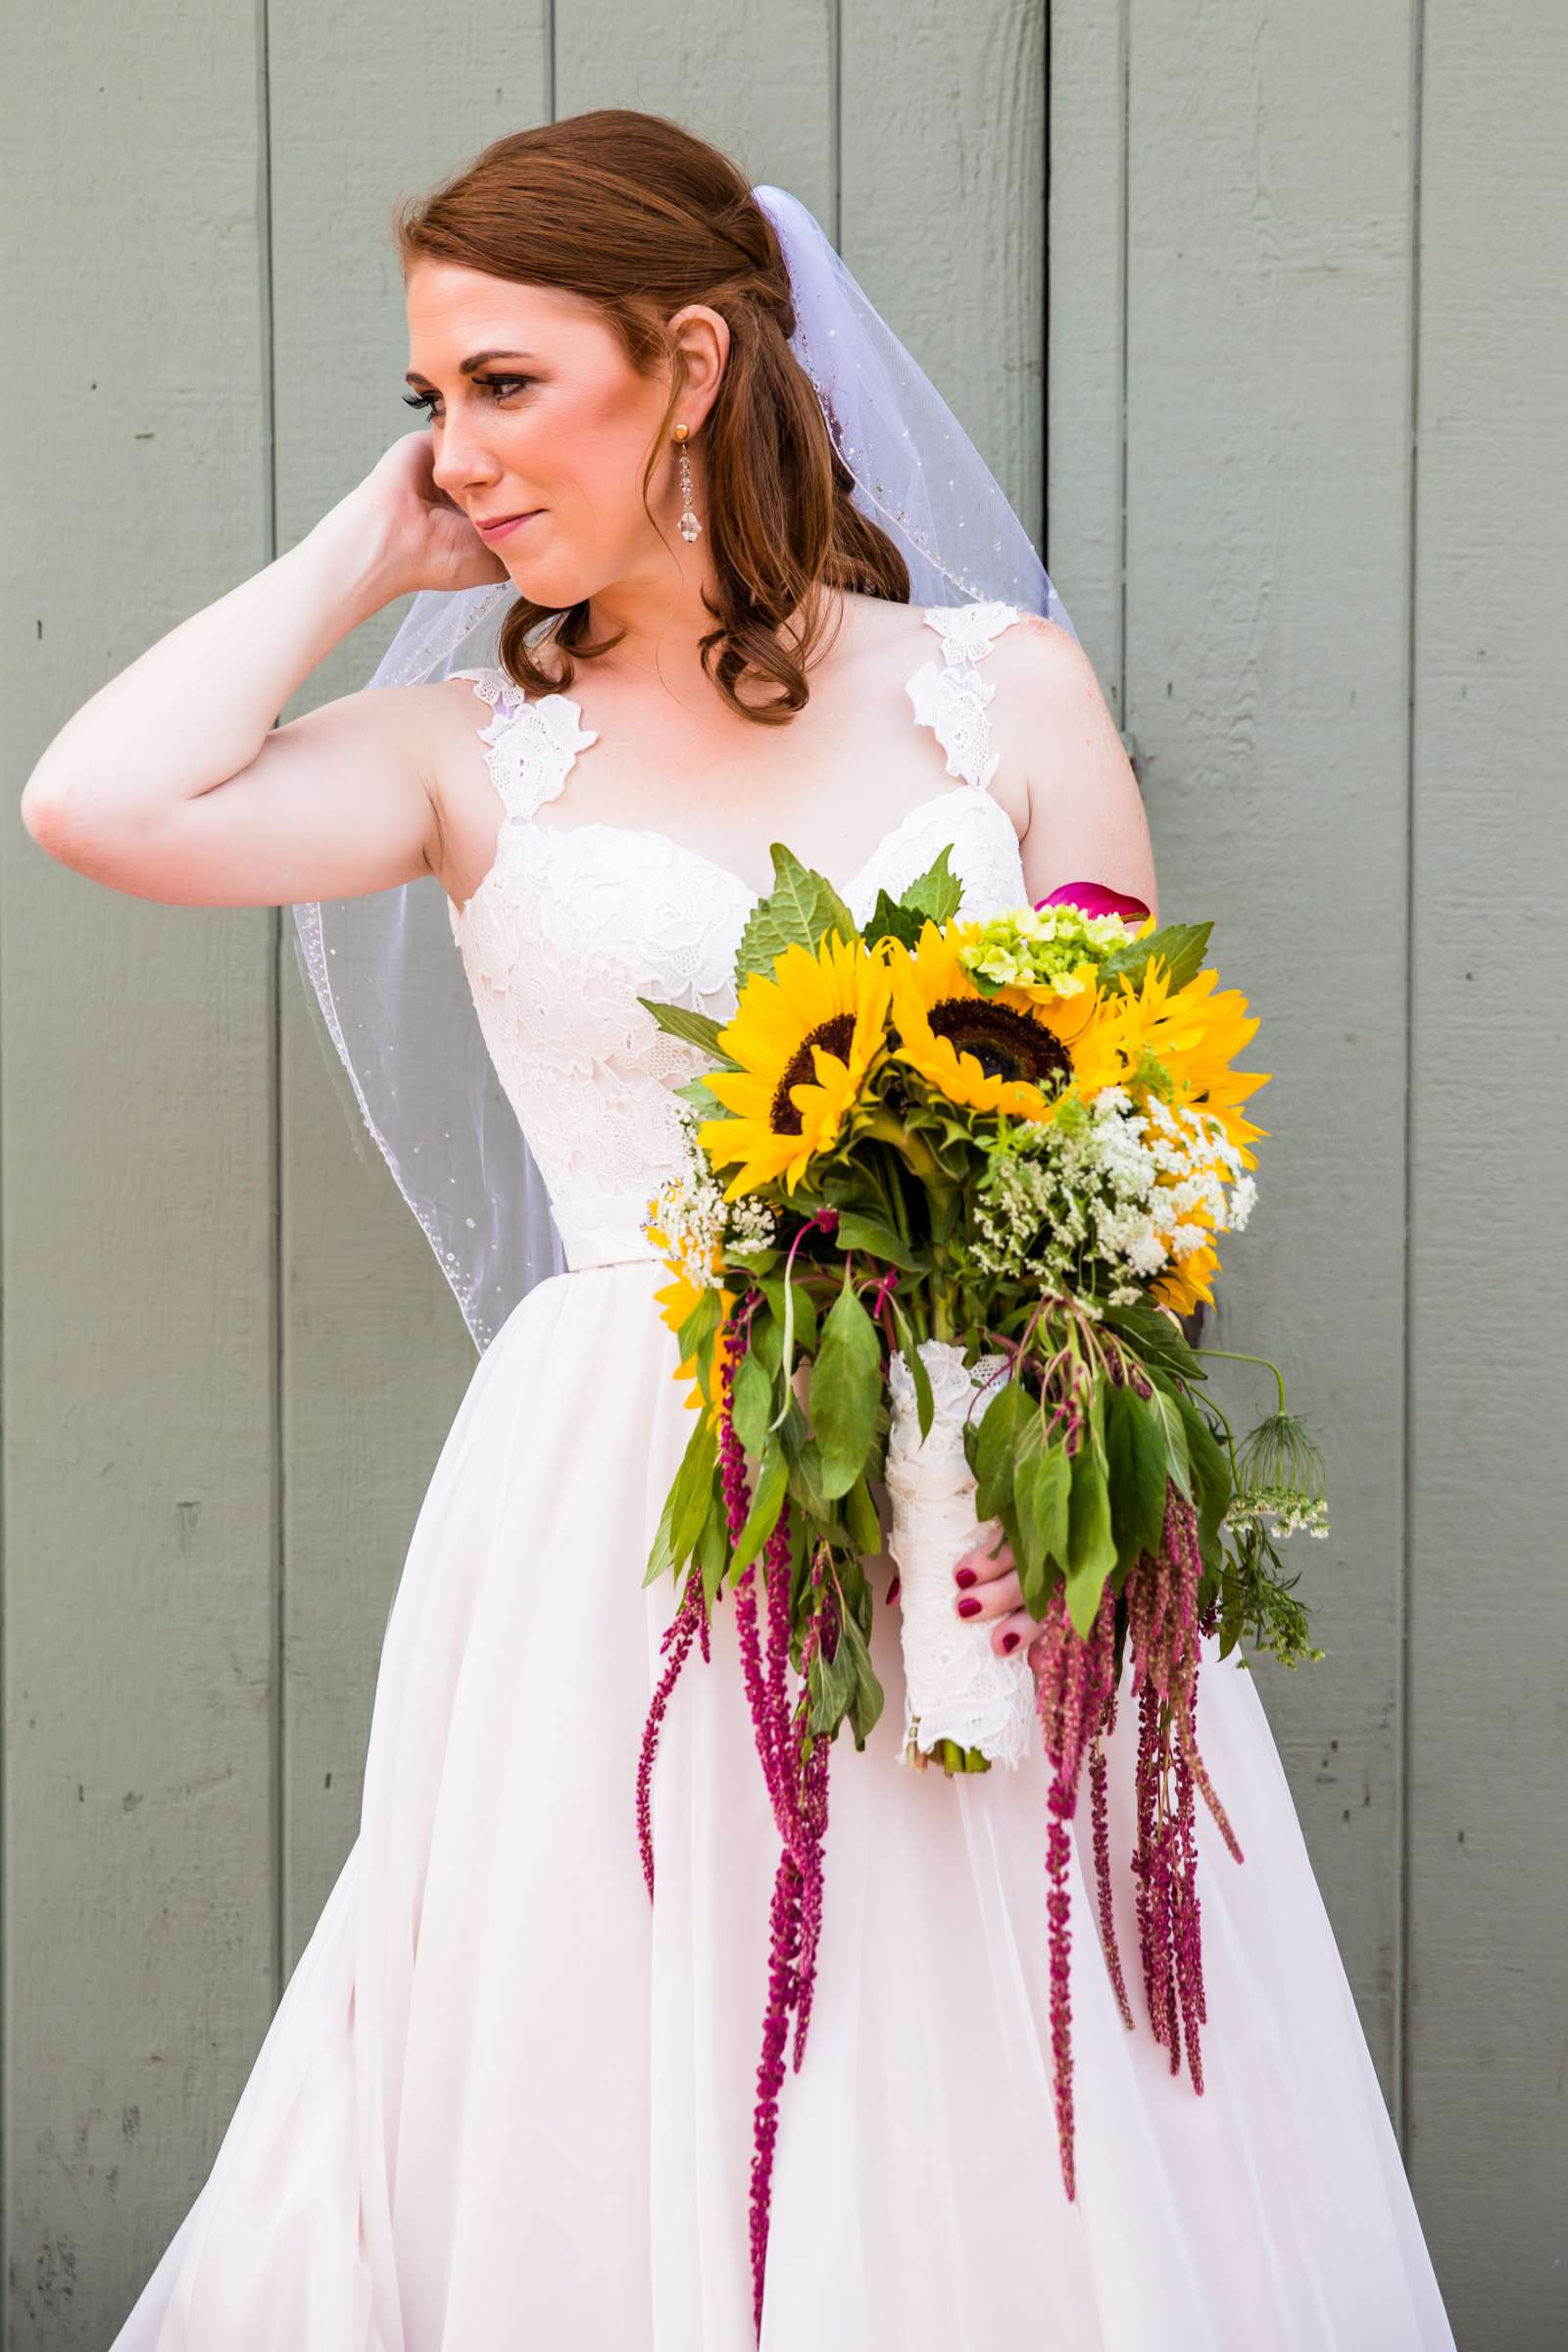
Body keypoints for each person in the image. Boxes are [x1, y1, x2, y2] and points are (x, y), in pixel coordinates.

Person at [23, 108, 1454, 2352]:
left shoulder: (998, 694)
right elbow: (91, 806)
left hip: (994, 1486)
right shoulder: (462, 758)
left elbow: (1133, 1126)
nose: (463, 450)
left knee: (1016, 2056)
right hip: (626, 1506)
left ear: (689, 361)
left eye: (506, 384)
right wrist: (353, 560)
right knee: (628, 2040)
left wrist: (1043, 1462)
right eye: (432, 399)